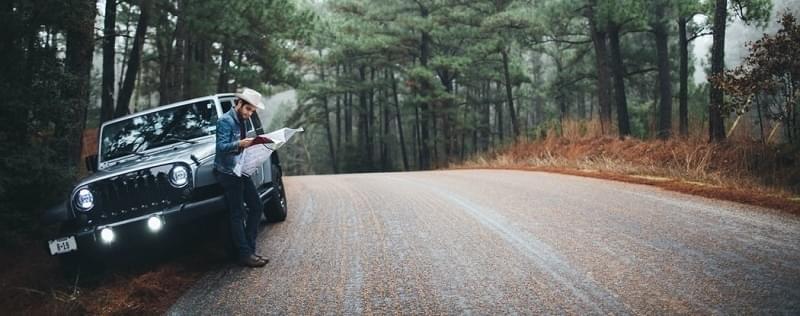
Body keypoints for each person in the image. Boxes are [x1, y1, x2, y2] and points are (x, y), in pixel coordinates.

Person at [214, 87, 271, 268]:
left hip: (241, 169)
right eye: (248, 109)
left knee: (256, 206)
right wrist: (239, 143)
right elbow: (221, 147)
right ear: (238, 103)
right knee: (237, 213)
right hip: (228, 173)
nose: (249, 114)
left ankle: (249, 248)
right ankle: (245, 254)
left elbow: (241, 149)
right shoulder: (225, 121)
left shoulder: (242, 120)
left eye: (252, 111)